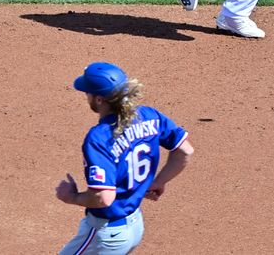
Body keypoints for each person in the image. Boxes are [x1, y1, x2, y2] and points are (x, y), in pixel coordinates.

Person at [56, 62, 194, 254]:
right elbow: (185, 151)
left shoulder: (100, 137)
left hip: (106, 234)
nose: (85, 95)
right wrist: (158, 182)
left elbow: (103, 198)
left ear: (99, 99)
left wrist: (71, 197)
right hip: (135, 226)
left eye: (87, 92)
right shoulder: (149, 116)